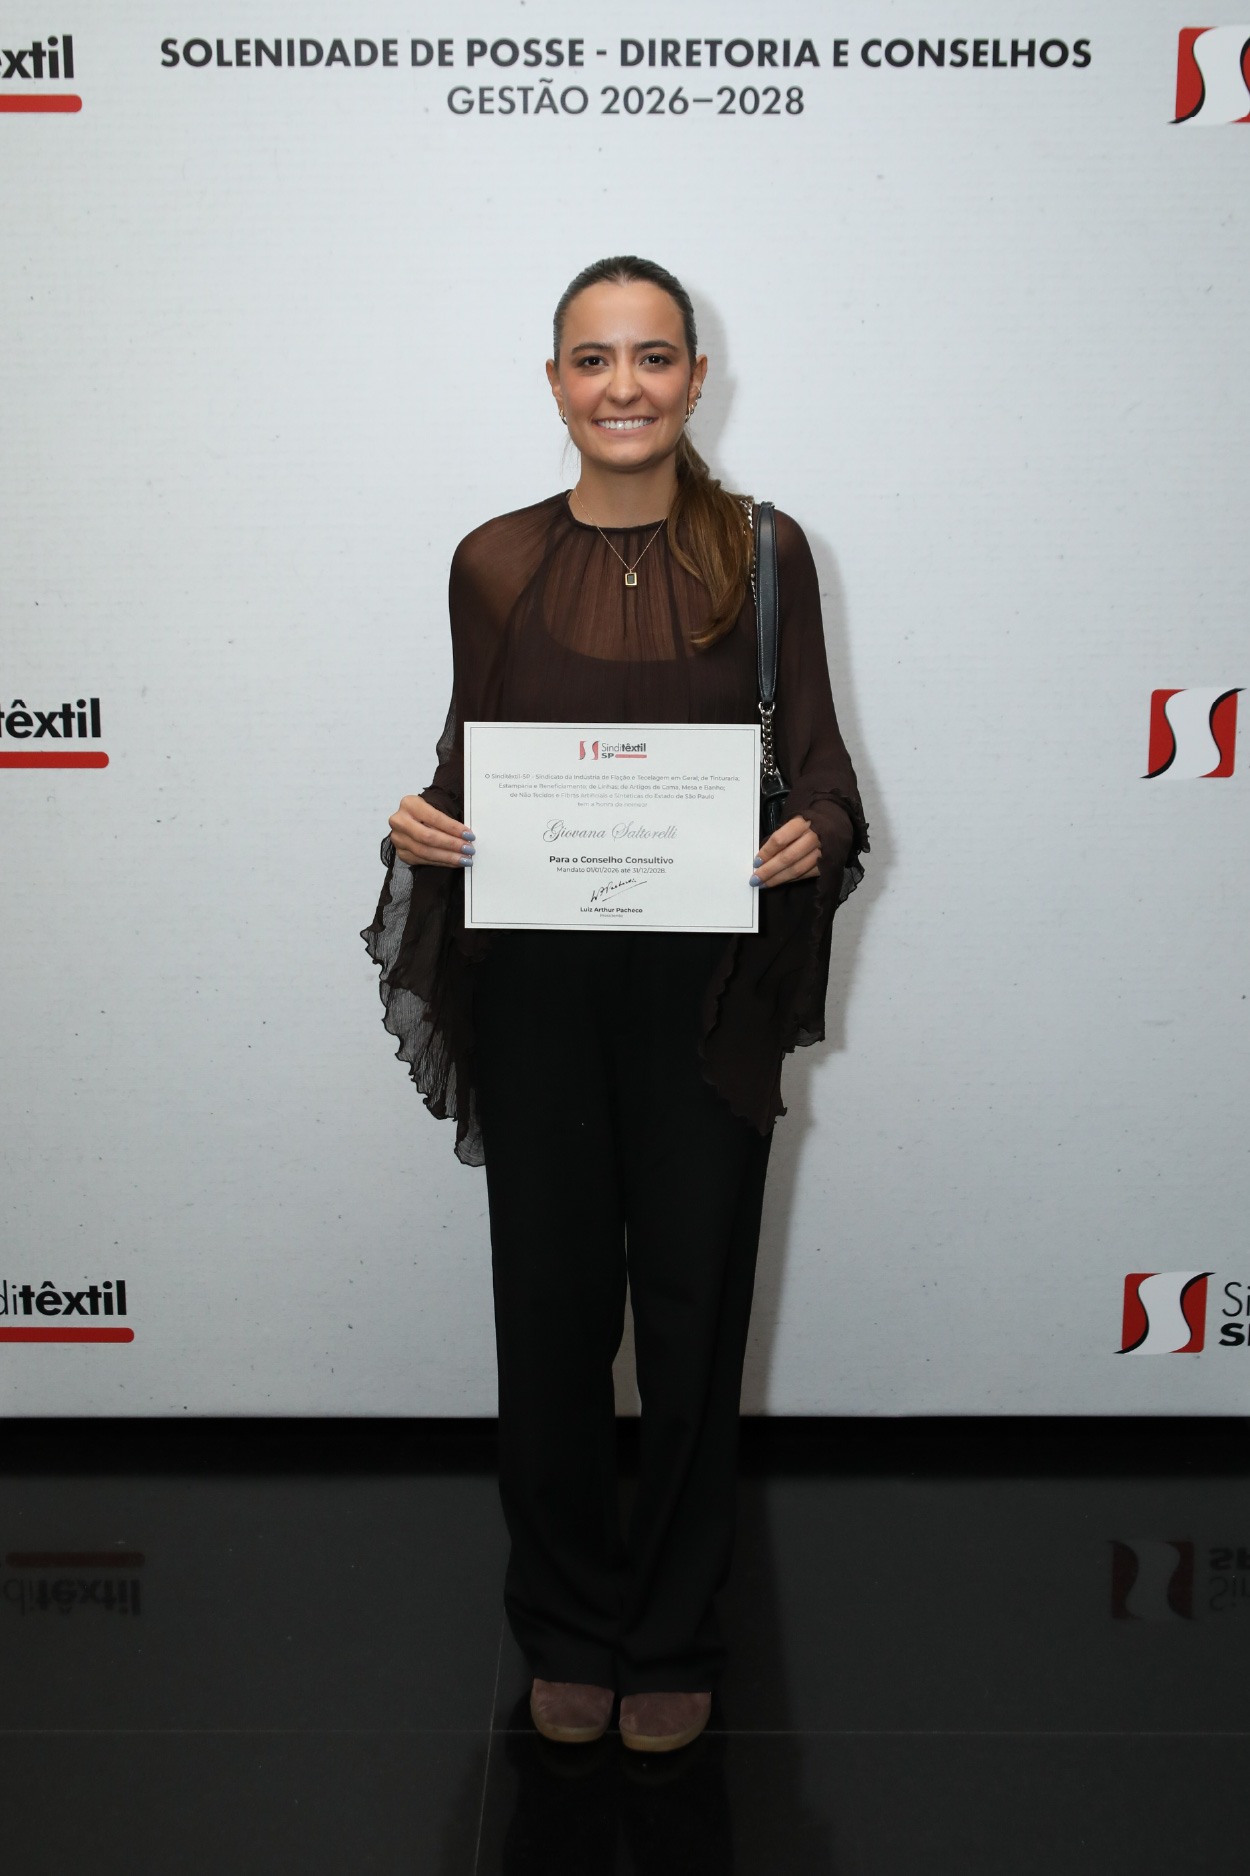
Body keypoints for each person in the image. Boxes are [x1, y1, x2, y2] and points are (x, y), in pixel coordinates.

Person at [364, 256, 867, 1754]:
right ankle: (568, 1625)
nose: (624, 386)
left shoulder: (767, 554)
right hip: (539, 988)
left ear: (696, 380)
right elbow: (466, 767)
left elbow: (826, 774)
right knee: (551, 1316)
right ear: (555, 383)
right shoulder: (493, 561)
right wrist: (425, 824)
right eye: (594, 359)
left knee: (696, 1318)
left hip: (701, 994)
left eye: (653, 357)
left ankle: (675, 1633)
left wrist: (814, 833)